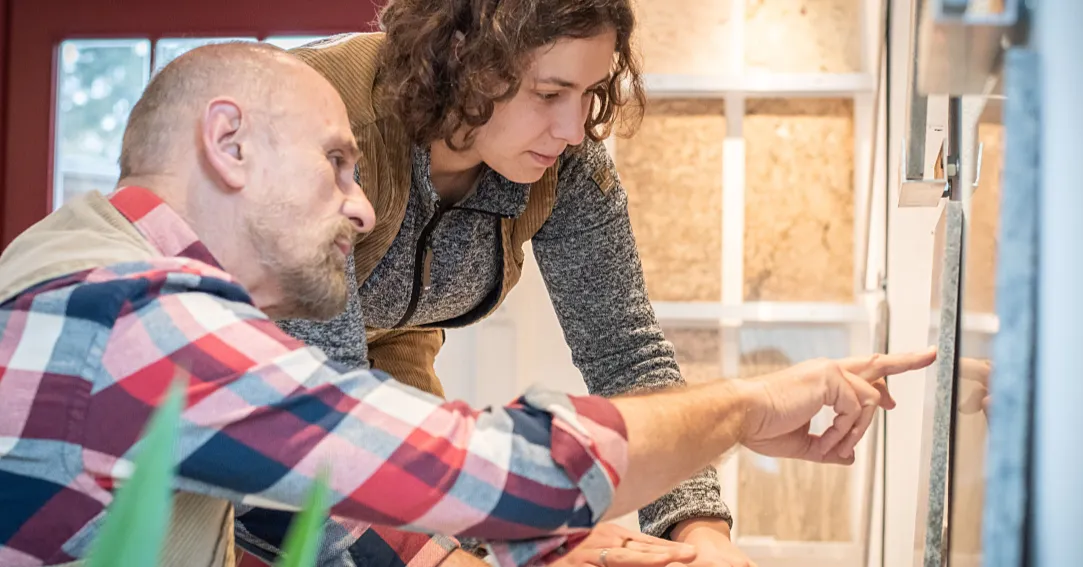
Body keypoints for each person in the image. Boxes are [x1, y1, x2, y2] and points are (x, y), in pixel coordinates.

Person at [0, 42, 935, 567]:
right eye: (336, 164)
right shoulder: (142, 324)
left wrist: (554, 545)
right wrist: (748, 404)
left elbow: (306, 503)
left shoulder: (81, 273)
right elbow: (482, 471)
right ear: (229, 143)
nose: (364, 208)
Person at [267, 1, 860, 564]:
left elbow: (626, 354)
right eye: (549, 94)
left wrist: (697, 533)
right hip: (264, 387)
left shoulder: (566, 165)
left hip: (389, 381)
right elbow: (322, 424)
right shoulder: (326, 130)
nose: (575, 129)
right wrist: (498, 543)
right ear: (463, 57)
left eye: (590, 92)